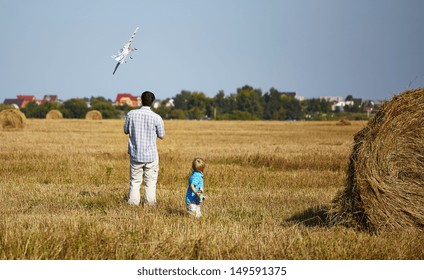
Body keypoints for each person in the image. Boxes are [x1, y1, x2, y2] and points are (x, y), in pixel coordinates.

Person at [124, 91, 165, 206]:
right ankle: (150, 204)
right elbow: (161, 135)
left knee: (135, 181)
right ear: (152, 102)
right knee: (150, 182)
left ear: (141, 100)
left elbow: (125, 130)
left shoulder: (131, 114)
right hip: (151, 156)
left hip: (135, 154)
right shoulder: (157, 117)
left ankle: (132, 204)